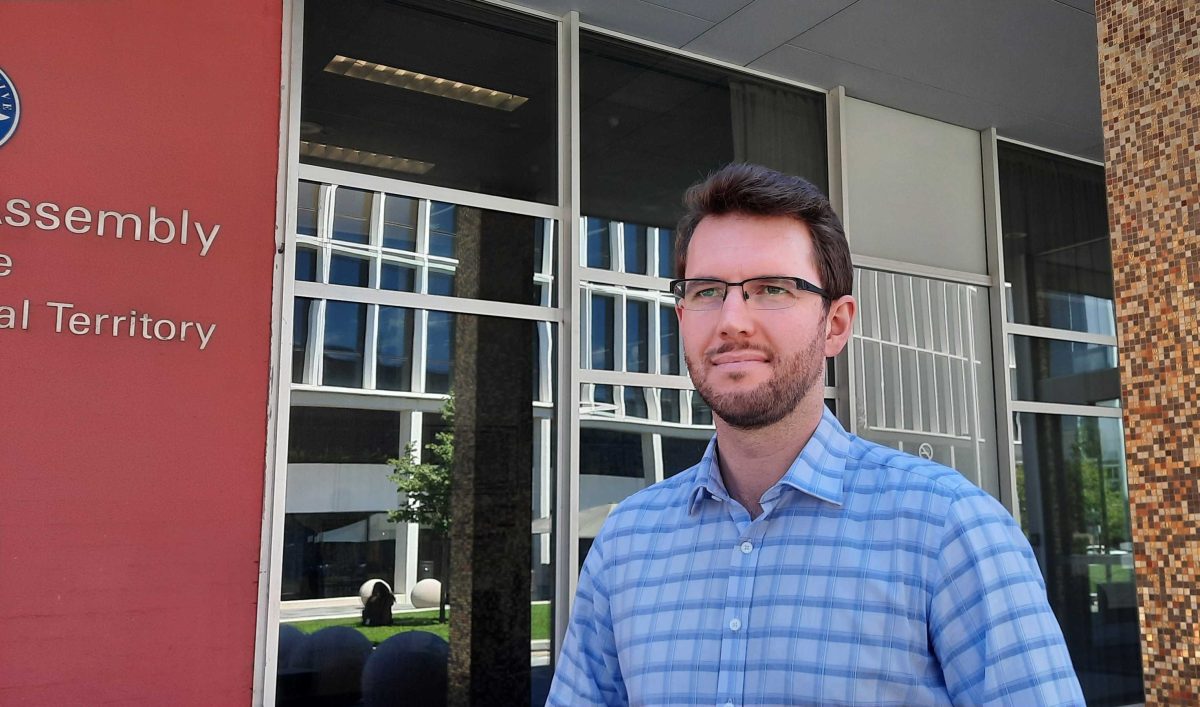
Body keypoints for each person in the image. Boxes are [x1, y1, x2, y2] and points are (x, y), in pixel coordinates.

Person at [548, 163, 1084, 706]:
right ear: (682, 313)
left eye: (771, 288)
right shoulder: (627, 543)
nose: (732, 319)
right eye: (707, 290)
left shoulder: (949, 531)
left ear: (836, 324)